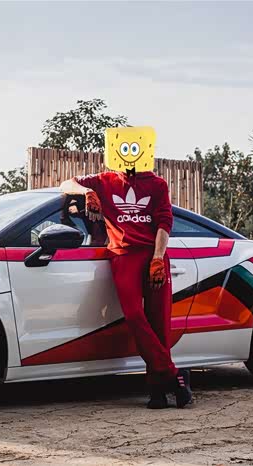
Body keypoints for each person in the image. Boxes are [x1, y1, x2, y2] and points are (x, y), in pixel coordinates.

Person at [60, 162, 193, 409]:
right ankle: (174, 375)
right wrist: (87, 192)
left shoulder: (157, 184)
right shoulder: (103, 180)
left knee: (159, 323)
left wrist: (157, 257)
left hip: (154, 255)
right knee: (134, 316)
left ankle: (157, 390)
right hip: (123, 256)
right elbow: (67, 184)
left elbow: (164, 223)